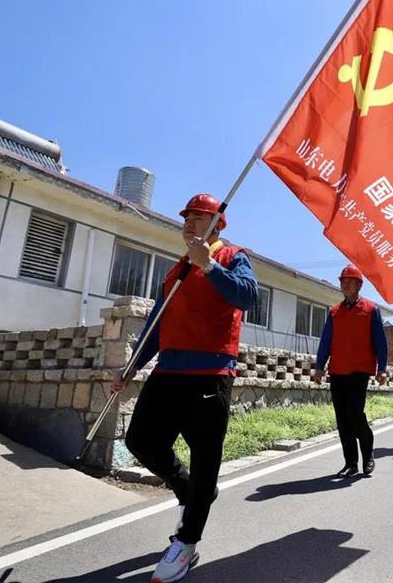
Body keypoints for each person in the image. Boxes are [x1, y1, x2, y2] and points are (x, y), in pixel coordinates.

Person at [111, 193, 258, 583]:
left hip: (210, 373)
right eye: (186, 218)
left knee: (206, 458)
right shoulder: (175, 270)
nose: (189, 223)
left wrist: (209, 265)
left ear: (217, 224)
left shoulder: (232, 257)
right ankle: (188, 488)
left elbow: (247, 296)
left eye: (198, 217)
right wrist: (131, 366)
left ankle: (187, 541)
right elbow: (156, 324)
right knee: (141, 440)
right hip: (168, 372)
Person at [314, 264, 388, 478]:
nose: (345, 285)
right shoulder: (334, 312)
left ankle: (368, 454)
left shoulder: (371, 310)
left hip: (359, 370)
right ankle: (351, 463)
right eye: (342, 281)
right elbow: (326, 341)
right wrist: (319, 366)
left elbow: (380, 342)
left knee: (355, 414)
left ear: (359, 285)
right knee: (342, 419)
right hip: (338, 370)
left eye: (349, 281)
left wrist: (382, 369)